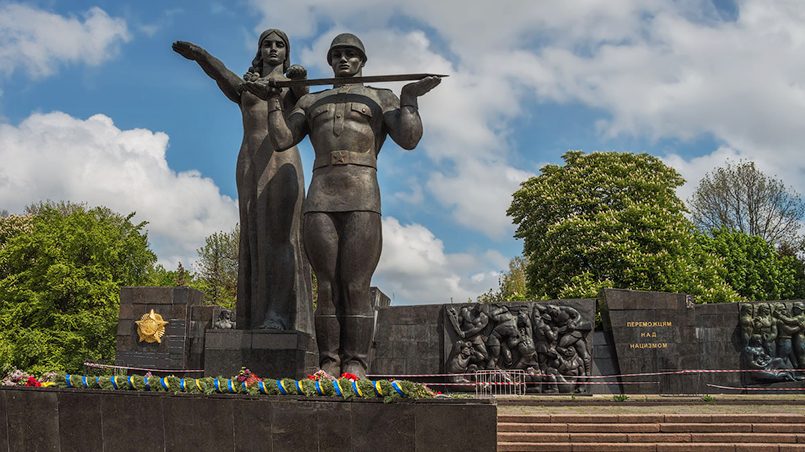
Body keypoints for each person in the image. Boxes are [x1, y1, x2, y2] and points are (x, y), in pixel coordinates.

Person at [244, 33, 440, 377]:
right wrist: (274, 101)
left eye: (350, 54)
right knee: (326, 286)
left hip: (362, 194)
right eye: (337, 55)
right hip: (321, 196)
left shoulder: (381, 96)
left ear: (362, 60)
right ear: (330, 61)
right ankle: (329, 362)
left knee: (355, 284)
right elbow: (282, 139)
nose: (343, 60)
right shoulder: (311, 101)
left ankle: (356, 364)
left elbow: (409, 138)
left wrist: (409, 98)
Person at [173, 29, 313, 333]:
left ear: (287, 52)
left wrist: (299, 77)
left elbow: (305, 94)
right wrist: (200, 55)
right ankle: (253, 317)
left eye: (279, 45)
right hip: (249, 162)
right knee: (254, 238)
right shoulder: (247, 87)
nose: (273, 49)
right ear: (259, 50)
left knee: (281, 238)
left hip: (282, 160)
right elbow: (221, 73)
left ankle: (279, 314)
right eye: (267, 44)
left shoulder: (291, 85)